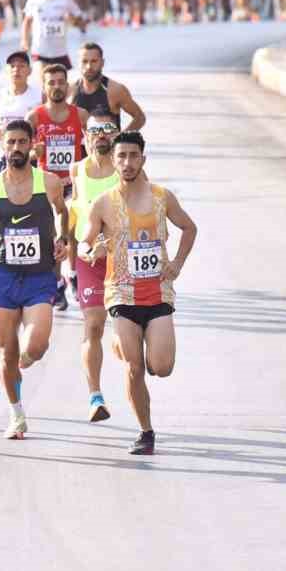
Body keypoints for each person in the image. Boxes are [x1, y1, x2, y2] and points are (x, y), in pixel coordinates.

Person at [80, 131, 199, 455]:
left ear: (143, 159)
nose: (128, 162)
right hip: (121, 294)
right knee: (135, 368)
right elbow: (85, 241)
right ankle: (146, 432)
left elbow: (189, 228)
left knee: (161, 367)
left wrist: (177, 263)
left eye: (134, 155)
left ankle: (124, 344)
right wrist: (92, 250)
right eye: (122, 156)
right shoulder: (103, 202)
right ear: (114, 160)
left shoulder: (162, 197)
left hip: (157, 292)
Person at [0, 119, 69, 440]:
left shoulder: (50, 182)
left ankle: (26, 360)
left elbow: (63, 212)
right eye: (11, 142)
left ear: (32, 144)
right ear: (3, 144)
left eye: (22, 142)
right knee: (6, 355)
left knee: (36, 346)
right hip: (4, 277)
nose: (16, 148)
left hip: (39, 277)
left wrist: (63, 240)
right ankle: (17, 415)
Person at [68, 111, 120, 421]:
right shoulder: (77, 170)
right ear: (85, 136)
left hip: (121, 260)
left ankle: (123, 345)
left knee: (124, 333)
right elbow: (74, 214)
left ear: (116, 134)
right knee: (94, 324)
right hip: (89, 261)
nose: (100, 135)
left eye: (107, 129)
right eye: (94, 130)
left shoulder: (126, 169)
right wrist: (72, 260)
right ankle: (95, 397)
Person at [30, 62, 86, 310]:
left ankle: (73, 275)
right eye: (51, 82)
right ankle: (57, 283)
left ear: (67, 84)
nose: (56, 86)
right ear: (44, 86)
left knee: (71, 232)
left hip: (72, 184)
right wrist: (34, 151)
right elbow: (16, 149)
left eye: (60, 82)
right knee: (52, 237)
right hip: (46, 186)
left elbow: (98, 142)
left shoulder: (80, 115)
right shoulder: (35, 116)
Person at [69, 42, 146, 131]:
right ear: (78, 63)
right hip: (79, 144)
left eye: (94, 61)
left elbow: (140, 118)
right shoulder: (70, 90)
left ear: (102, 63)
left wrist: (120, 139)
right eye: (84, 61)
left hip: (106, 144)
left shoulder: (116, 90)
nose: (89, 66)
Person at [21, 0, 86, 70]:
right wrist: (24, 41)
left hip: (60, 53)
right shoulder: (33, 2)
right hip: (39, 52)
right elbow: (26, 22)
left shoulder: (66, 1)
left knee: (60, 86)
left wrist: (72, 21)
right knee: (44, 83)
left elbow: (82, 24)